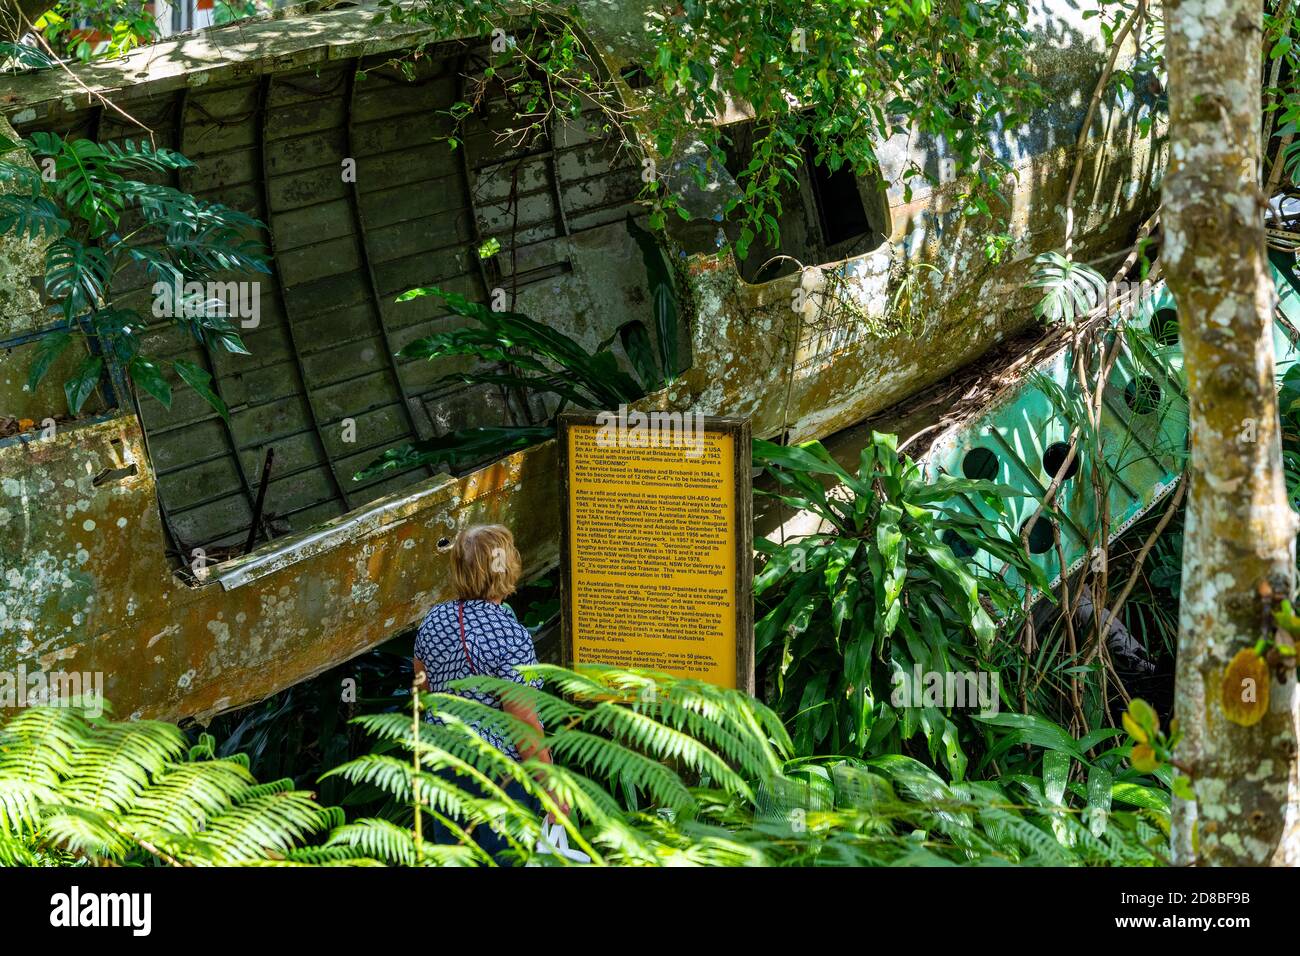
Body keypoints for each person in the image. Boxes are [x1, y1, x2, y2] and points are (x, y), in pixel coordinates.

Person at [412, 523, 563, 859]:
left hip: (444, 768)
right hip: (497, 778)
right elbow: (523, 726)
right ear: (506, 567)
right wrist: (552, 788)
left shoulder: (432, 622)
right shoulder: (511, 636)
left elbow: (421, 692)